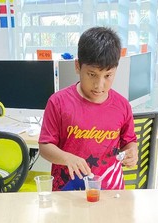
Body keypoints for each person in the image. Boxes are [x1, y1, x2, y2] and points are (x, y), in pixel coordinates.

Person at [39, 26, 138, 191]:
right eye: (92, 74)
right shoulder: (58, 102)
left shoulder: (122, 105)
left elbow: (129, 142)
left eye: (108, 76)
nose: (99, 85)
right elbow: (45, 147)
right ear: (78, 66)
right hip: (67, 191)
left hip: (110, 192)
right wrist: (66, 158)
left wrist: (132, 152)